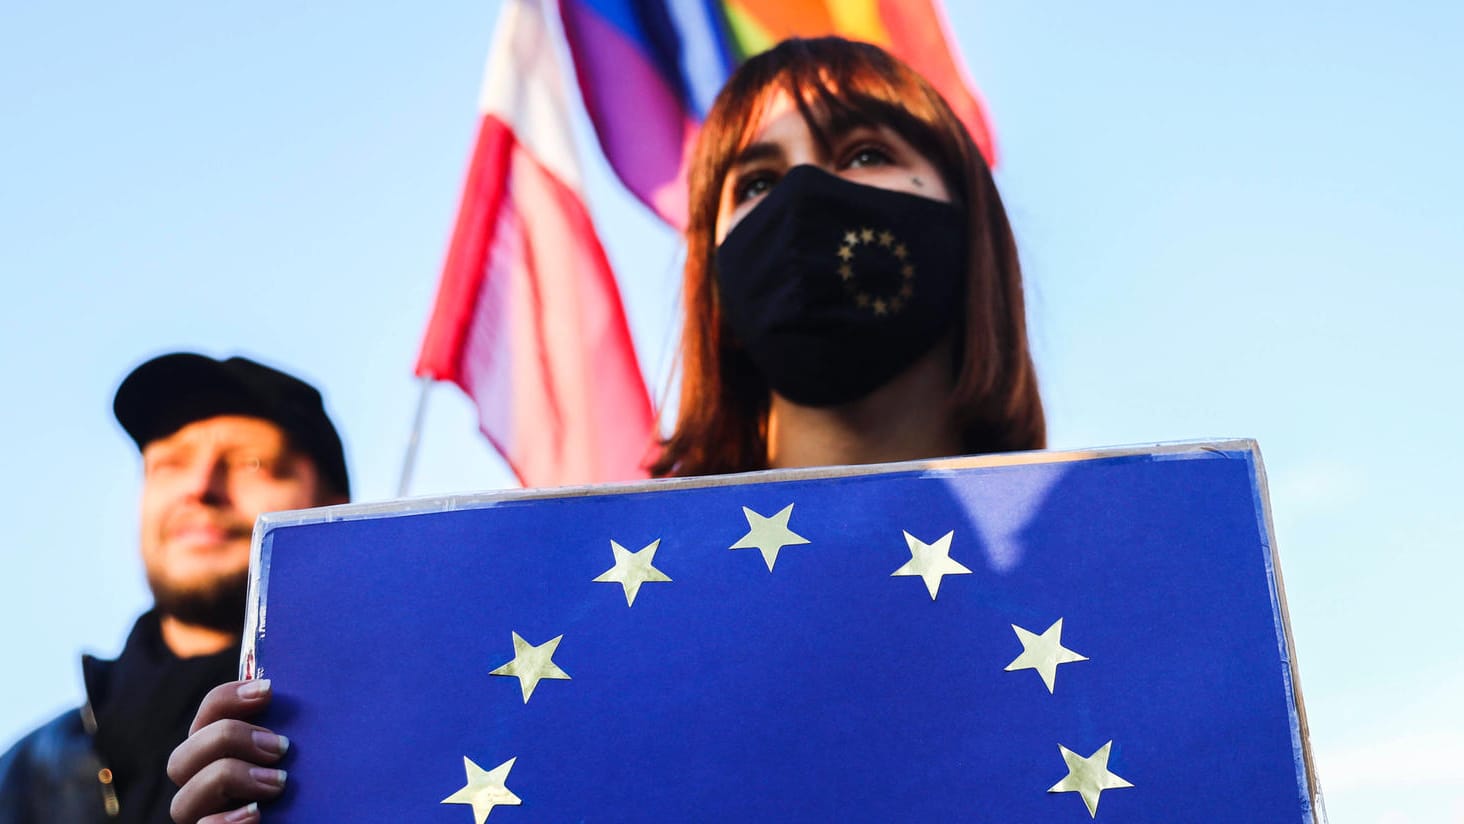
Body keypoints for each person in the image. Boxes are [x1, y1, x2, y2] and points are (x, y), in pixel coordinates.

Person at [166, 36, 1045, 823]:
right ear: (717, 279)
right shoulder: (587, 623)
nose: (807, 198)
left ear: (968, 223)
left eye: (863, 152)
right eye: (758, 182)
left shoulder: (1101, 583)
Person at [0, 353, 349, 824]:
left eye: (252, 463)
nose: (200, 487)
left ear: (334, 510)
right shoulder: (21, 776)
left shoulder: (397, 730)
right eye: (169, 464)